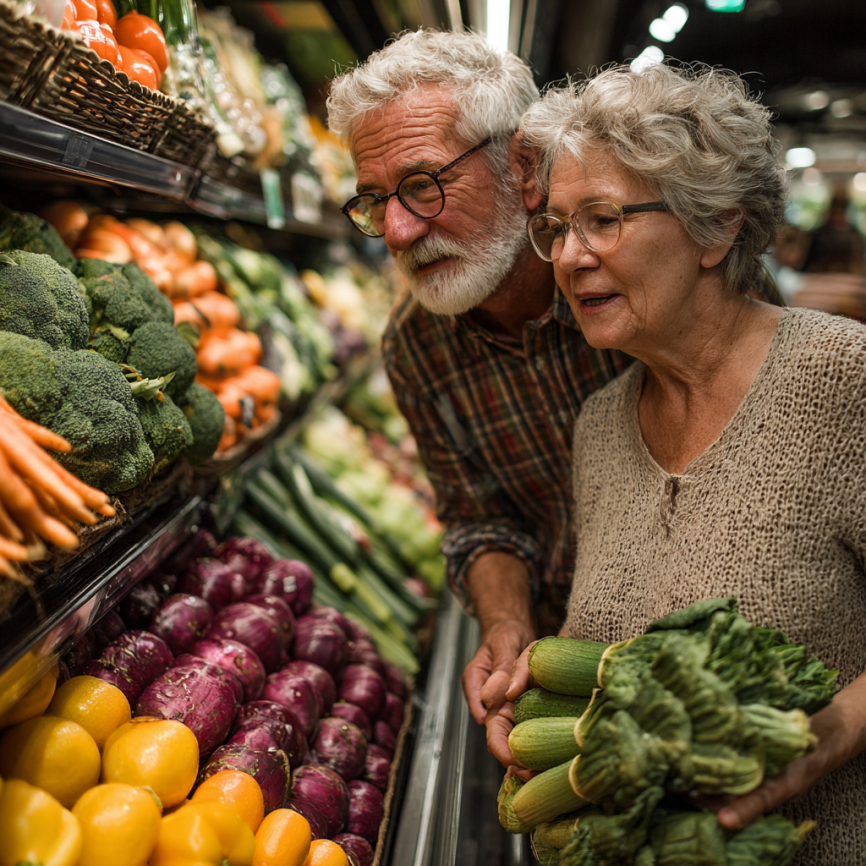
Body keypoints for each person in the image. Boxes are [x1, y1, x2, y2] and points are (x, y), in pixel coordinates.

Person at [326, 30, 783, 765]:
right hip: (584, 683)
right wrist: (506, 623)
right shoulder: (417, 349)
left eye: (421, 185)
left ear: (523, 166)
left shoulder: (659, 290)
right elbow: (482, 517)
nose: (398, 231)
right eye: (374, 201)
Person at [502, 63, 866, 864]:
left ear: (717, 227)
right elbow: (616, 656)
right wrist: (535, 695)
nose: (568, 257)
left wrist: (822, 742)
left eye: (602, 219)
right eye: (557, 228)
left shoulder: (843, 380)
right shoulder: (598, 428)